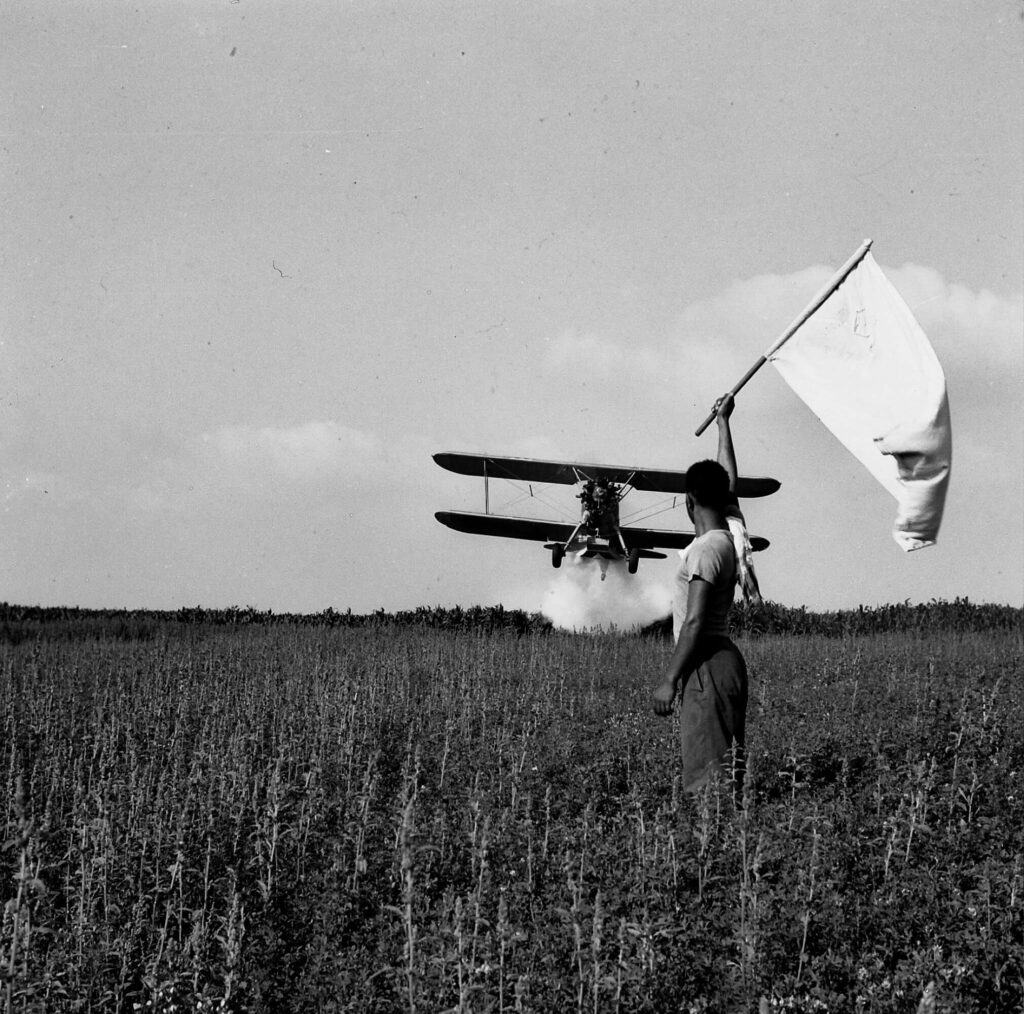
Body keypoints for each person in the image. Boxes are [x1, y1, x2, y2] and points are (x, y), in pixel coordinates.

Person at [652, 394, 748, 793]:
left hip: (704, 663)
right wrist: (723, 423)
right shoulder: (728, 534)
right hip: (722, 659)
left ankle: (712, 849)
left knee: (708, 775)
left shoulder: (706, 550)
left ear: (689, 501)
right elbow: (728, 479)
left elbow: (693, 620)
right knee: (726, 765)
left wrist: (669, 680)